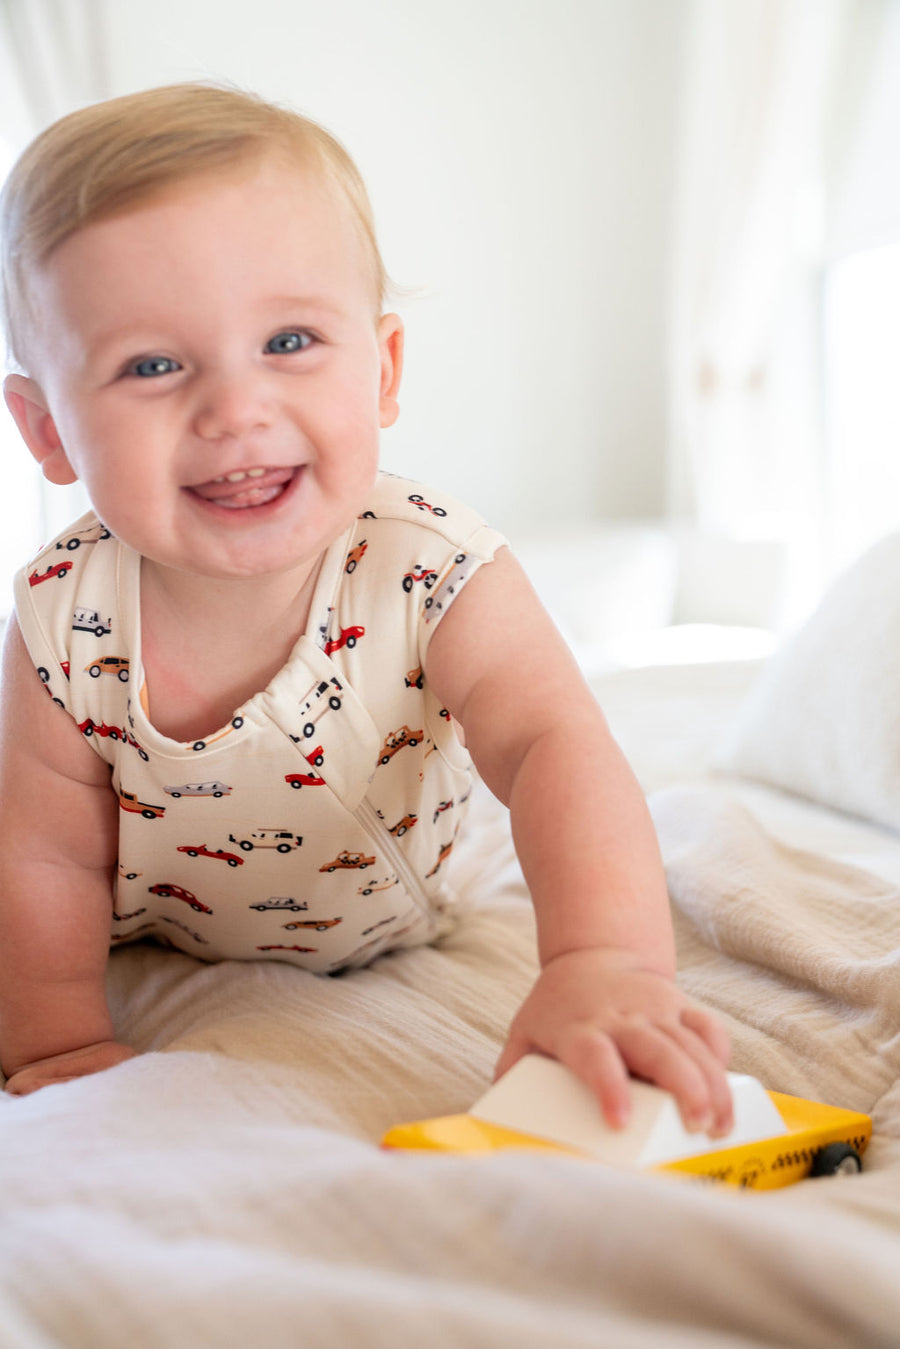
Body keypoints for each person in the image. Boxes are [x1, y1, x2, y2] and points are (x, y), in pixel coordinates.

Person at [0, 83, 732, 1133]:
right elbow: (45, 853)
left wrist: (606, 962)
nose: (235, 409)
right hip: (141, 921)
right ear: (47, 431)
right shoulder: (61, 615)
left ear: (382, 369)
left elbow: (551, 745)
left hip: (379, 913)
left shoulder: (431, 566)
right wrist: (57, 1038)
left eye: (289, 341)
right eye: (152, 365)